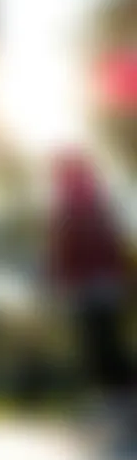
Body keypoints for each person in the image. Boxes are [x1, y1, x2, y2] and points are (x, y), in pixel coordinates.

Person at [48, 150, 134, 438]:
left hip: (98, 282)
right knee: (100, 342)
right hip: (95, 283)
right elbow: (66, 249)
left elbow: (76, 247)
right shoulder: (84, 205)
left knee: (103, 342)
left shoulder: (84, 206)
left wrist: (63, 275)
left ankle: (122, 400)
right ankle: (116, 399)